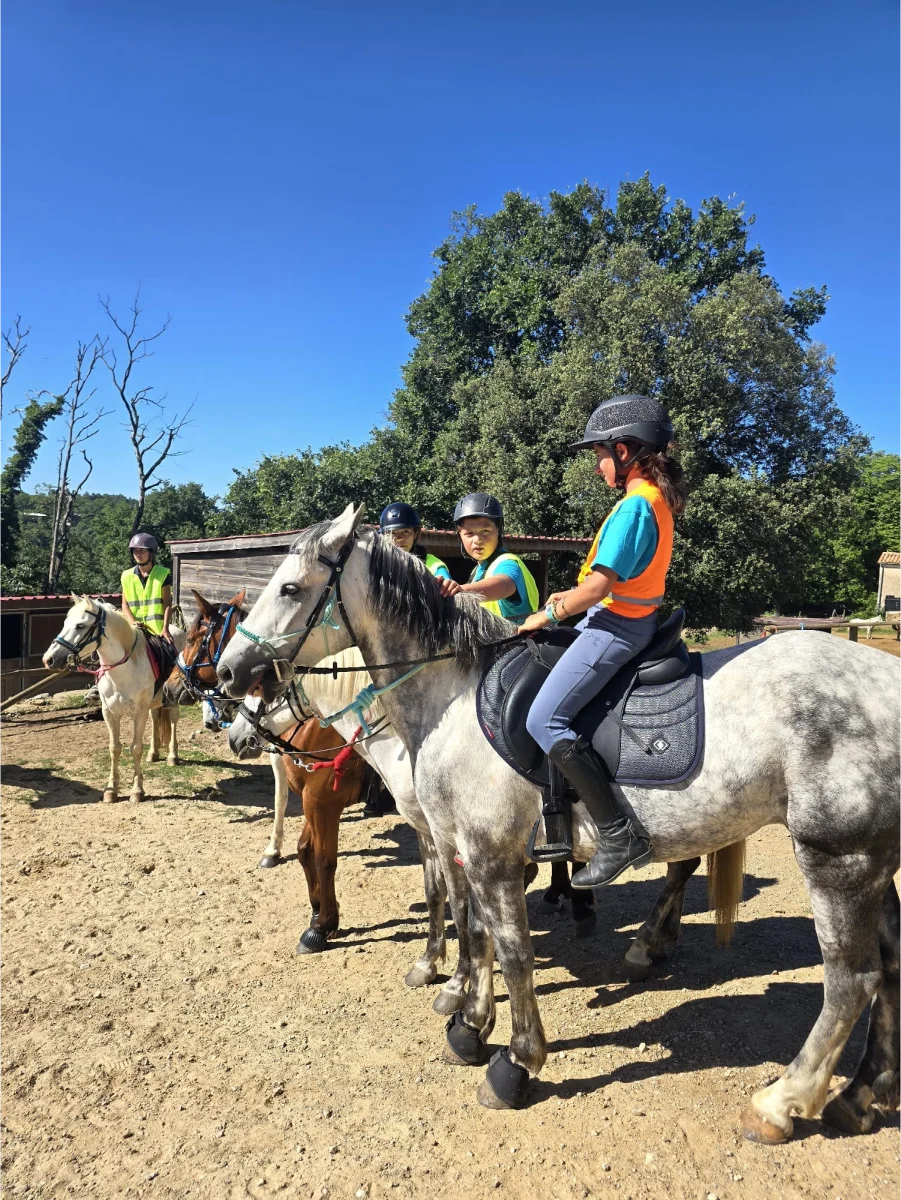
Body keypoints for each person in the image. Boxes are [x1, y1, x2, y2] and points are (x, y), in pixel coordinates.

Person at [521, 395, 687, 888]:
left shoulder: (636, 506)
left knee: (543, 720)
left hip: (616, 627)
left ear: (623, 450)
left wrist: (546, 613)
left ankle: (618, 834)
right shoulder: (650, 499)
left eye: (598, 455)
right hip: (619, 617)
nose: (597, 467)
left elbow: (599, 588)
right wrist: (568, 595)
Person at [441, 493, 538, 626]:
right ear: (460, 536)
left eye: (485, 531)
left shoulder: (507, 563)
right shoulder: (479, 570)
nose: (477, 540)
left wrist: (462, 591)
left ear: (499, 530)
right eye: (469, 533)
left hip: (516, 644)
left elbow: (503, 584)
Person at [121, 533, 174, 641]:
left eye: (142, 551)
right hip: (134, 630)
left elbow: (167, 604)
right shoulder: (126, 576)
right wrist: (132, 622)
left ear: (151, 553)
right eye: (135, 551)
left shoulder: (162, 574)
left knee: (168, 654)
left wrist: (165, 629)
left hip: (156, 632)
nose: (137, 554)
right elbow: (124, 604)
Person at [379, 502, 451, 579]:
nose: (399, 539)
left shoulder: (435, 566)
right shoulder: (377, 565)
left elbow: (447, 586)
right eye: (392, 533)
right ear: (383, 536)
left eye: (406, 532)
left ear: (416, 535)